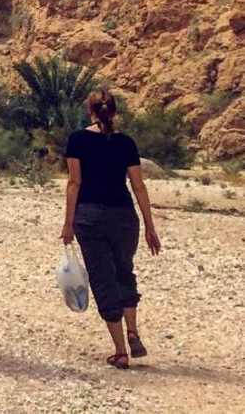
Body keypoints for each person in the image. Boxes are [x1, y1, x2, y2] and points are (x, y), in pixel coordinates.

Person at [61, 87, 162, 369]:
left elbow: (74, 183)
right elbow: (138, 186)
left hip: (89, 216)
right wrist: (150, 227)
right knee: (124, 270)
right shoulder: (126, 143)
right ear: (114, 112)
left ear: (89, 111)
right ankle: (132, 330)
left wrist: (67, 223)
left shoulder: (78, 140)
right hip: (124, 216)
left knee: (102, 278)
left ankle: (120, 350)